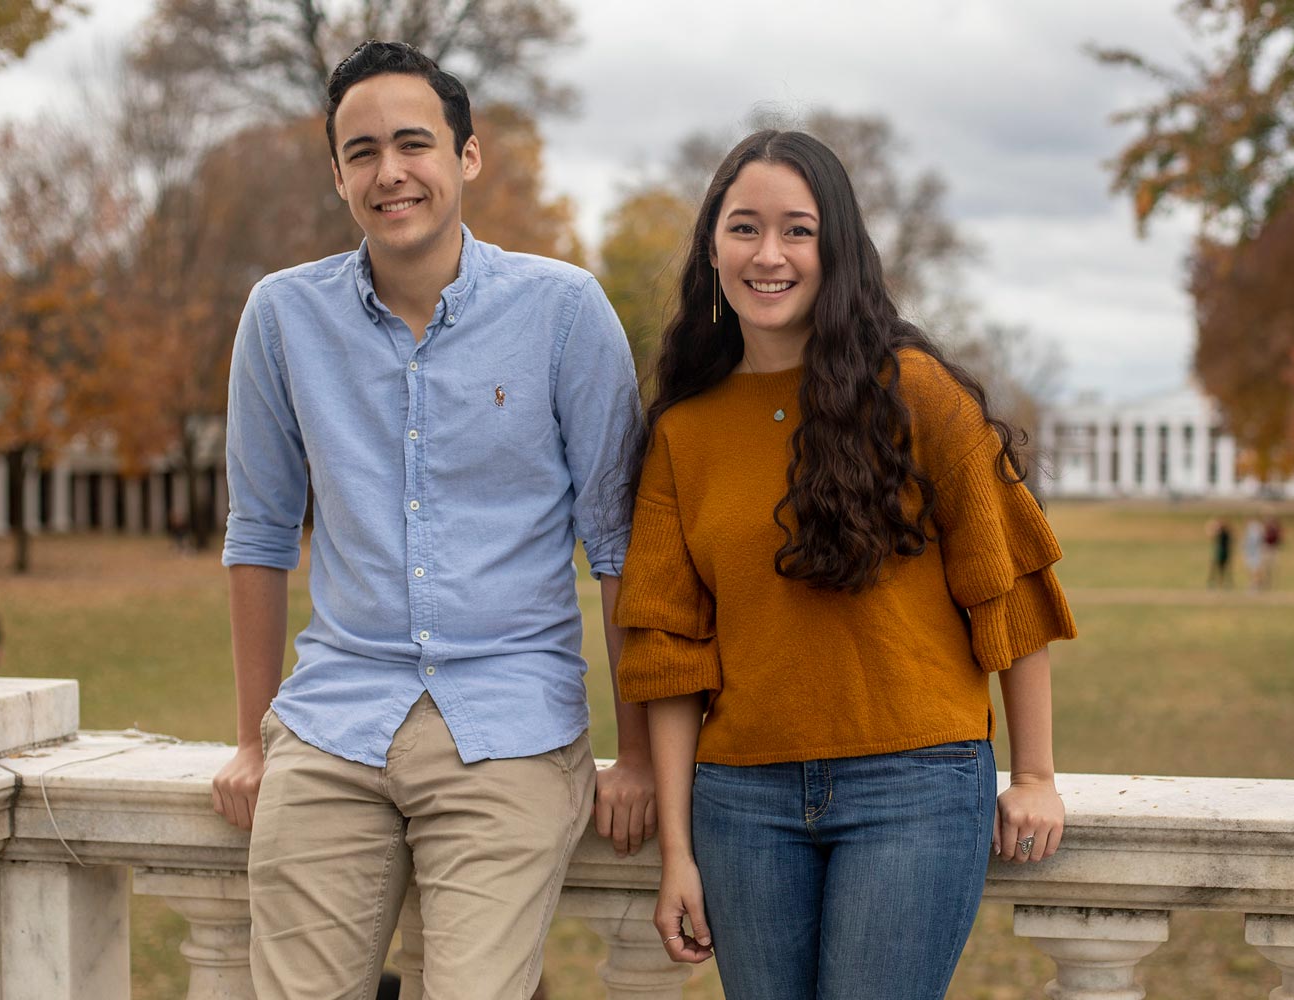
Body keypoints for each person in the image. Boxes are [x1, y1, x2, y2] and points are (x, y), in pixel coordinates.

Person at [212, 40, 655, 1000]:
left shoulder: (564, 312)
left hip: (511, 727)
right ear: (337, 175)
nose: (390, 171)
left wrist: (638, 753)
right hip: (334, 723)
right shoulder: (282, 319)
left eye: (414, 143)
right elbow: (258, 536)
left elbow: (620, 545)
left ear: (467, 157)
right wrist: (252, 740)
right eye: (361, 151)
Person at [613, 131, 1077, 1000]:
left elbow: (1005, 588)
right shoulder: (683, 433)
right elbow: (670, 657)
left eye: (798, 229)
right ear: (713, 246)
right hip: (741, 804)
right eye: (744, 228)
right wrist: (677, 852)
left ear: (839, 249)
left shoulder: (917, 393)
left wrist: (1037, 776)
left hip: (916, 787)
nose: (770, 254)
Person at [1207, 518, 1232, 588]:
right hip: (1218, 552)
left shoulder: (1225, 533)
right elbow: (1210, 535)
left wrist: (1213, 526)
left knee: (1223, 569)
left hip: (1223, 553)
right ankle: (1212, 582)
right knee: (1214, 568)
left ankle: (1222, 583)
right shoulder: (1220, 533)